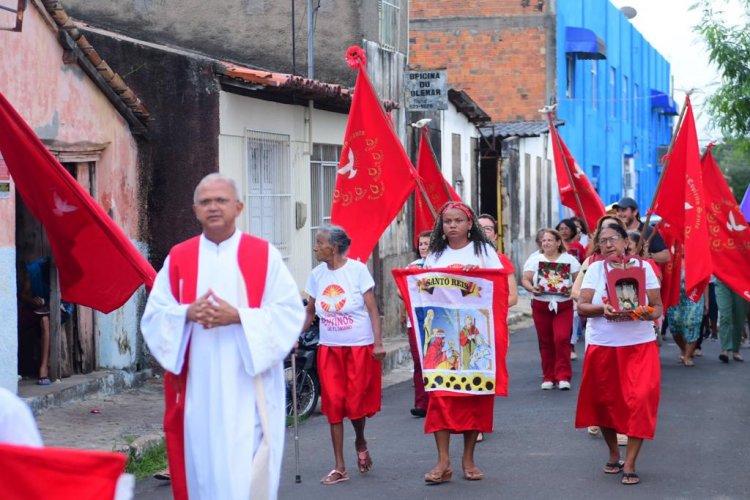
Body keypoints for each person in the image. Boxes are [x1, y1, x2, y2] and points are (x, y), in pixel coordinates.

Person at [140, 173, 304, 500]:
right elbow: (155, 315)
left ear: (239, 207)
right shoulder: (179, 258)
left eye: (221, 200)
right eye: (205, 201)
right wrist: (186, 313)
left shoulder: (263, 255)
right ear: (195, 209)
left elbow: (289, 312)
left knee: (245, 479)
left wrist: (239, 317)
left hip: (248, 390)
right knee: (203, 474)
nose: (213, 207)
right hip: (198, 391)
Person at [421, 202, 517, 484]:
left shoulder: (484, 252)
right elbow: (424, 287)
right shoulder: (435, 254)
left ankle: (468, 459)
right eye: (447, 221)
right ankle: (442, 462)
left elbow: (499, 288)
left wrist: (472, 277)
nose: (452, 225)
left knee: (474, 399)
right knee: (440, 396)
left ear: (469, 224)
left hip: (475, 333)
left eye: (458, 220)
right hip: (443, 331)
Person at [576, 223, 663, 486]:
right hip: (604, 345)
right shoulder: (593, 269)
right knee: (605, 402)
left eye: (614, 239)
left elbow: (657, 307)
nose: (609, 244)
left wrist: (647, 312)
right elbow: (582, 306)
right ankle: (614, 452)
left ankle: (631, 462)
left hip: (640, 345)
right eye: (603, 241)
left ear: (627, 241)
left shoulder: (644, 268)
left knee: (641, 399)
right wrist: (602, 309)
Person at [302, 225, 385, 485]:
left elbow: (372, 310)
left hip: (359, 347)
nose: (316, 248)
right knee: (334, 405)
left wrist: (379, 343)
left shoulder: (357, 271)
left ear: (334, 247)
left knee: (355, 405)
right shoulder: (316, 275)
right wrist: (293, 336)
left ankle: (360, 439)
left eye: (319, 243)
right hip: (330, 349)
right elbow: (311, 312)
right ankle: (340, 466)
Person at [522, 229, 580, 390]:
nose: (546, 243)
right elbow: (525, 279)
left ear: (558, 242)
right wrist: (532, 289)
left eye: (549, 240)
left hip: (563, 305)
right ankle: (549, 376)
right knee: (545, 341)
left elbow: (579, 280)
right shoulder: (535, 260)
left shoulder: (570, 260)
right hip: (541, 304)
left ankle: (563, 376)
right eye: (544, 240)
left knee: (561, 339)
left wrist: (572, 290)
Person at [400, 231, 432, 418]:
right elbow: (400, 290)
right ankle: (421, 402)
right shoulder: (412, 267)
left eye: (427, 243)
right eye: (421, 244)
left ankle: (436, 401)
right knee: (419, 362)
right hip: (415, 321)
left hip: (434, 319)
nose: (423, 247)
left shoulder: (439, 266)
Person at [613, 197, 669, 264]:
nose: (619, 214)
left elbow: (666, 256)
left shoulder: (649, 231)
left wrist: (648, 255)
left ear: (635, 212)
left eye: (623, 210)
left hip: (643, 272)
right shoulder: (615, 232)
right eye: (618, 211)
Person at [715, 278, 750, 363]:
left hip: (740, 280)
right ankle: (725, 350)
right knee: (724, 315)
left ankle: (735, 350)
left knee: (739, 317)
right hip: (722, 280)